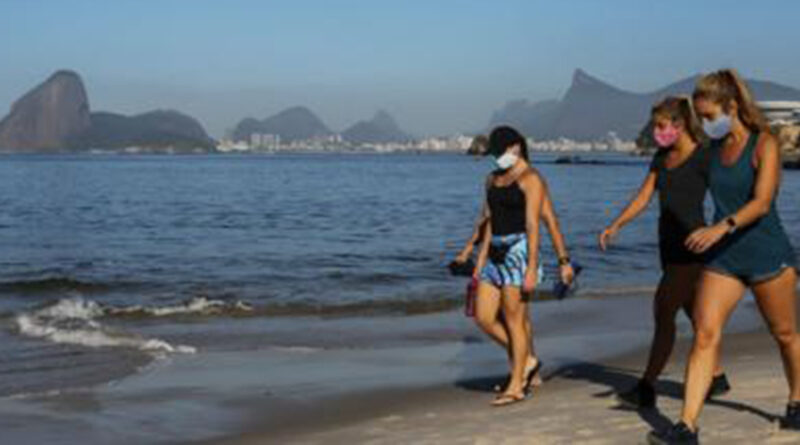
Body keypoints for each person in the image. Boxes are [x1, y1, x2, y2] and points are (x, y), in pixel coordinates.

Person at [648, 69, 800, 444]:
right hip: (725, 259)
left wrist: (720, 227)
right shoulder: (711, 151)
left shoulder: (764, 144)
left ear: (731, 107)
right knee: (704, 334)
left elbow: (762, 203)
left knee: (784, 334)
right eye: (700, 117)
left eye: (709, 116)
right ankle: (687, 426)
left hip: (766, 255)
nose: (705, 124)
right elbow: (676, 176)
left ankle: (797, 399)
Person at [599, 96, 730, 409]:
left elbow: (727, 197)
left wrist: (721, 230)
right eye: (656, 125)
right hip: (668, 249)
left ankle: (647, 387)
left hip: (692, 249)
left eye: (661, 125)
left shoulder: (704, 157)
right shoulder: (662, 157)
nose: (657, 131)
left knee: (663, 311)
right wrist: (616, 224)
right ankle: (716, 377)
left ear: (679, 124)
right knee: (695, 314)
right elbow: (644, 196)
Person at [470, 126, 575, 406]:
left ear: (515, 147)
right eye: (493, 153)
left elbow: (537, 224)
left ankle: (517, 385)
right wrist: (476, 257)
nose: (496, 157)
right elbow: (487, 220)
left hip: (518, 253)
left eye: (499, 151)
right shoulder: (492, 178)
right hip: (494, 254)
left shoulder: (532, 179)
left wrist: (546, 264)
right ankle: (527, 361)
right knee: (483, 317)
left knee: (515, 319)